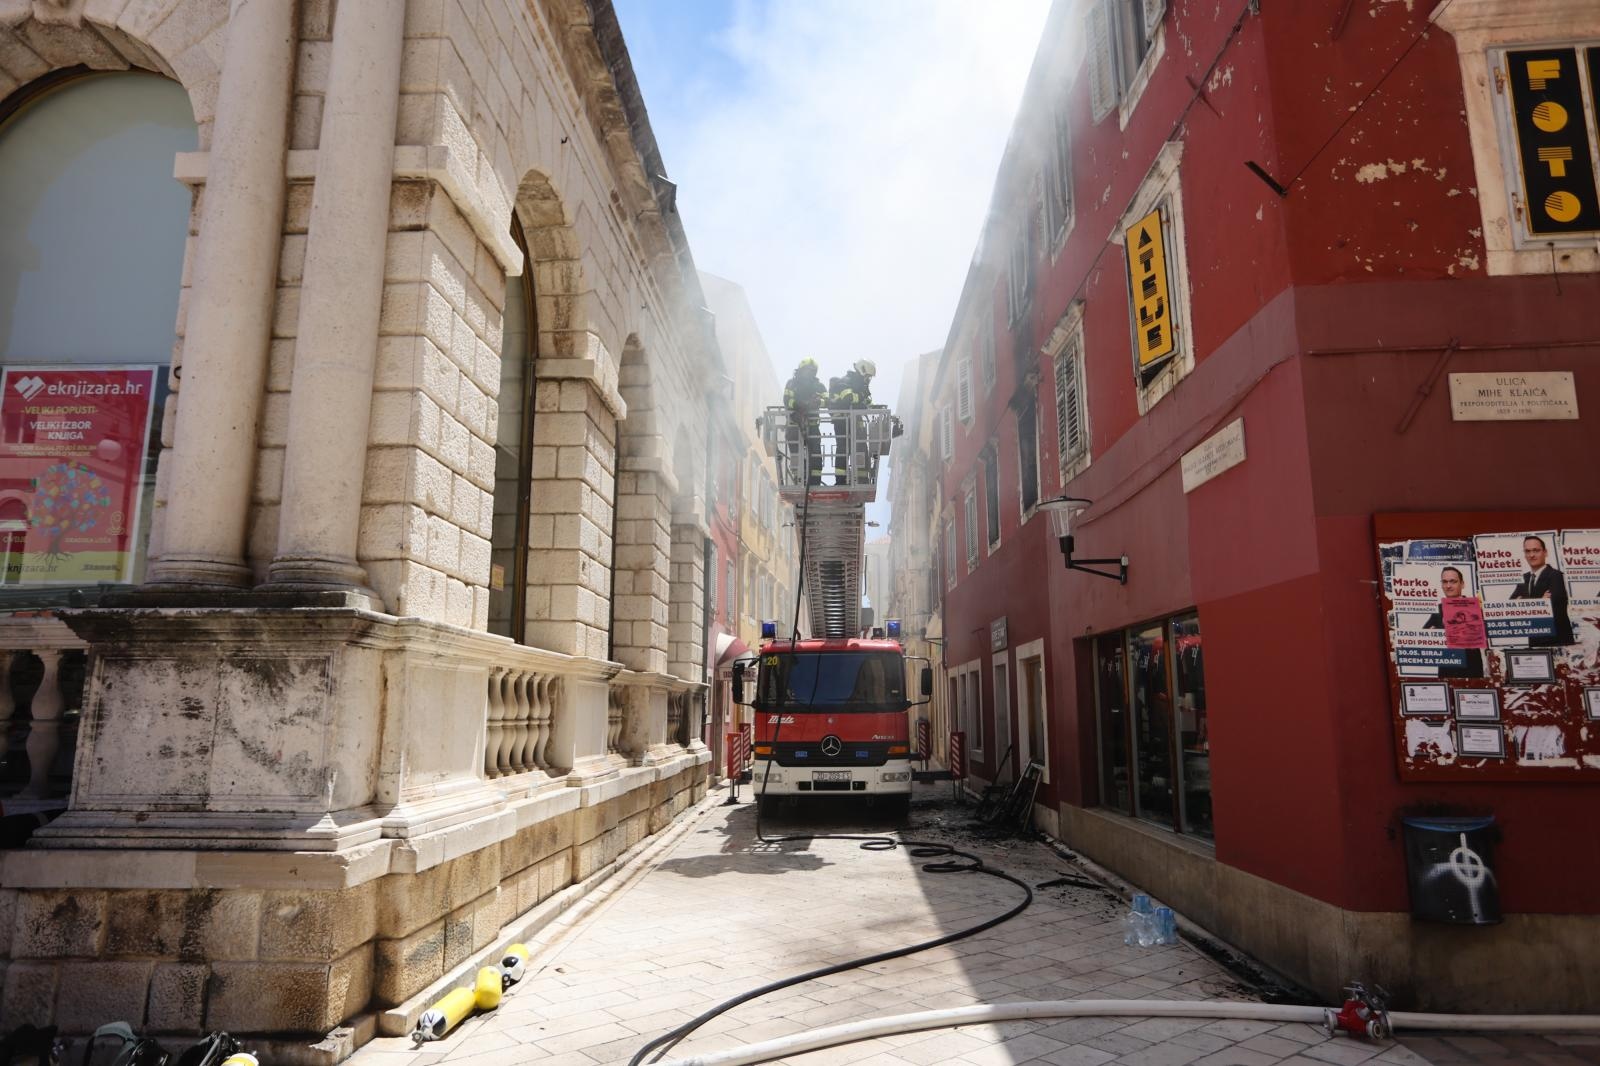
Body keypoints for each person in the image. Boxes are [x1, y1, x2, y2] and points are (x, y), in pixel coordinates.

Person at [1508, 535, 1573, 646]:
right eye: (1527, 551)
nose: (1531, 555)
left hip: (1557, 641)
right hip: (1534, 640)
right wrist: (1540, 601)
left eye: (1536, 550)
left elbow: (1552, 605)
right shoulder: (1524, 578)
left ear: (1545, 552)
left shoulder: (1555, 575)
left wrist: (1522, 601)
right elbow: (1511, 606)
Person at [1423, 566, 1484, 679]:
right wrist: (1432, 635)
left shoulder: (1475, 607)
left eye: (1453, 581)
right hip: (1447, 668)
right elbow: (1425, 637)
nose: (1448, 586)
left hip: (1470, 668)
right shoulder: (1439, 609)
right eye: (1445, 582)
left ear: (1462, 584)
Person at [783, 359, 825, 486]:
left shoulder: (818, 386)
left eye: (812, 371)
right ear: (801, 370)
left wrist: (818, 402)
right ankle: (799, 480)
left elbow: (827, 400)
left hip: (812, 426)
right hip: (794, 425)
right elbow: (787, 400)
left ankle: (814, 483)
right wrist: (798, 405)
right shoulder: (792, 384)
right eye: (808, 370)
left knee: (816, 455)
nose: (810, 373)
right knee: (797, 456)